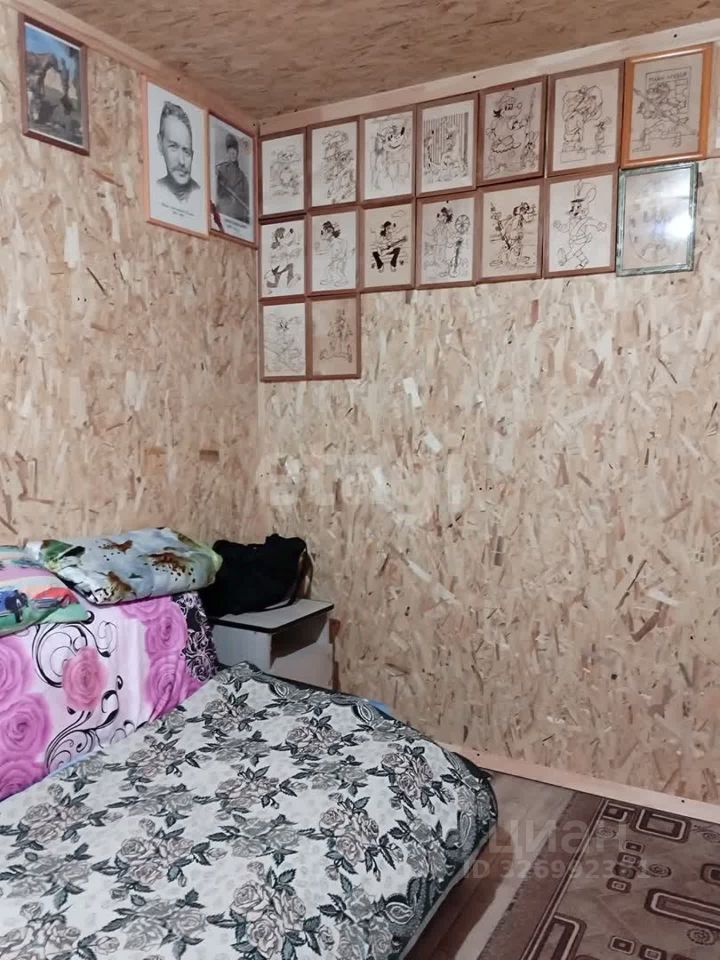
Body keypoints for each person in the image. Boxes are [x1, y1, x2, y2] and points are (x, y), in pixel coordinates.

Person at [156, 101, 200, 204]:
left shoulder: (199, 193)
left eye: (186, 151)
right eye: (173, 147)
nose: (182, 161)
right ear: (160, 144)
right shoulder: (156, 188)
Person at [215, 132, 250, 223]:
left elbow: (247, 199)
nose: (233, 155)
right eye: (230, 153)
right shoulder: (220, 169)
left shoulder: (242, 176)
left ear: (237, 154)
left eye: (234, 153)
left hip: (238, 216)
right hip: (224, 213)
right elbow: (216, 191)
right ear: (227, 153)